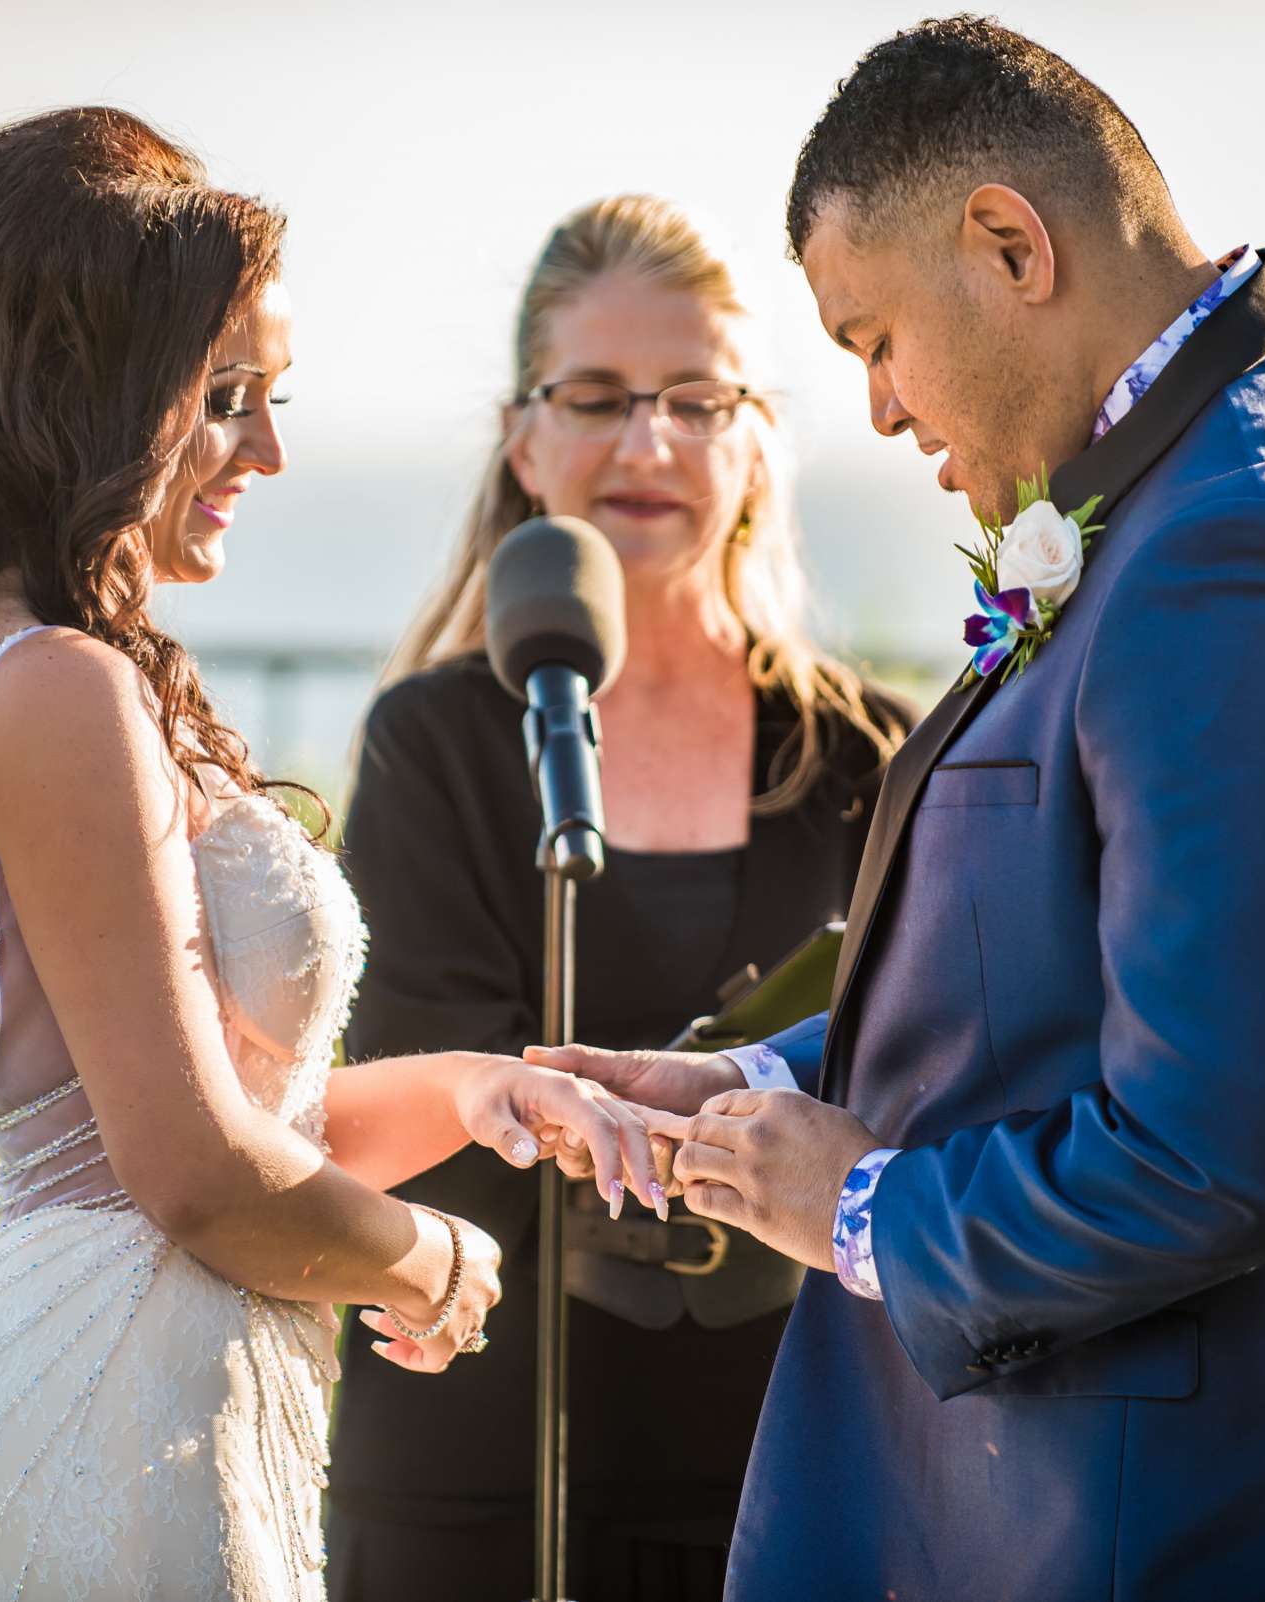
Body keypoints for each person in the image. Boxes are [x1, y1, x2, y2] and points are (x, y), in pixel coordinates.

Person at [538, 18, 1265, 1600]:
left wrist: (860, 1208)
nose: (873, 408)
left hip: (1227, 1523)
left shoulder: (1247, 554)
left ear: (1009, 242)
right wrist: (747, 1090)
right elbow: (1067, 966)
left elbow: (1222, 1151)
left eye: (875, 339)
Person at [0, 109, 665, 1602]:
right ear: (89, 386)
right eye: (229, 394)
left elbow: (238, 1118)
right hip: (124, 1422)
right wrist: (429, 1261)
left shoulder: (53, 673)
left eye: (276, 394)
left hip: (160, 1389)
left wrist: (484, 1088)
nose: (270, 447)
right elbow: (193, 1177)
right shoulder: (54, 686)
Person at [324, 195, 906, 1601]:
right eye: (595, 397)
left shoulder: (872, 759)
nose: (646, 443)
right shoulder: (432, 744)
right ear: (524, 440)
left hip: (805, 1480)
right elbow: (425, 1112)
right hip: (478, 1481)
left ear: (759, 442)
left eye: (696, 399)